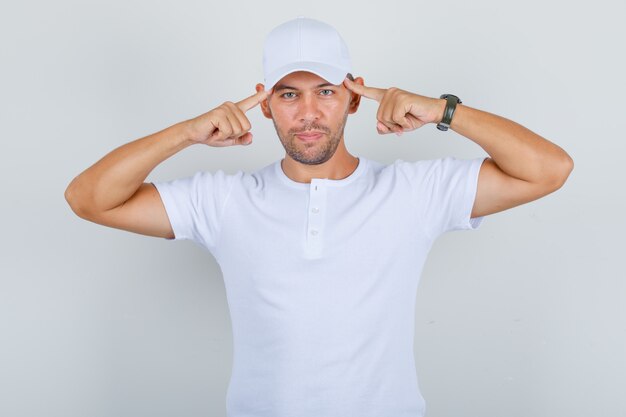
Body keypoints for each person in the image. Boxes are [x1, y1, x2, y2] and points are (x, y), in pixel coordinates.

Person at [65, 16, 573, 417]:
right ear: (264, 106)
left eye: (325, 91)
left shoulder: (413, 191)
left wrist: (443, 110)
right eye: (288, 94)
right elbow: (89, 198)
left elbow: (549, 169)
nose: (308, 113)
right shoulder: (224, 201)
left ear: (353, 97)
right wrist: (186, 133)